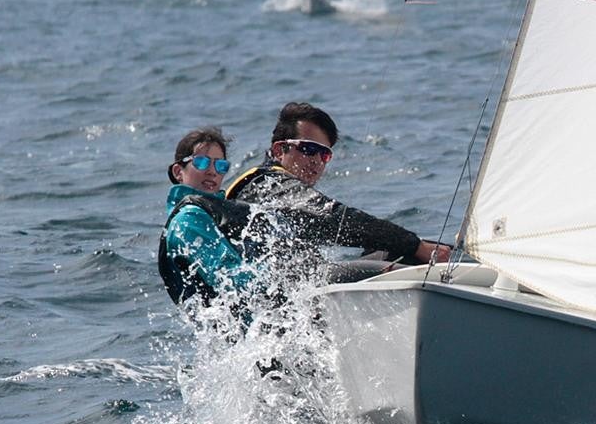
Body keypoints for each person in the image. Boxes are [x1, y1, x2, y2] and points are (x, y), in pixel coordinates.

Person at [226, 102, 451, 270]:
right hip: (278, 301)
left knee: (390, 250)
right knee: (411, 257)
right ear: (278, 151)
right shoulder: (266, 184)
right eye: (308, 149)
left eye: (324, 154)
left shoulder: (278, 187)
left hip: (296, 295)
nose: (315, 160)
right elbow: (334, 220)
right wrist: (415, 246)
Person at [158, 126, 258, 307]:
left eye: (220, 166)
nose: (212, 171)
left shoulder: (213, 213)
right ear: (178, 172)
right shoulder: (187, 220)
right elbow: (232, 278)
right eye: (202, 162)